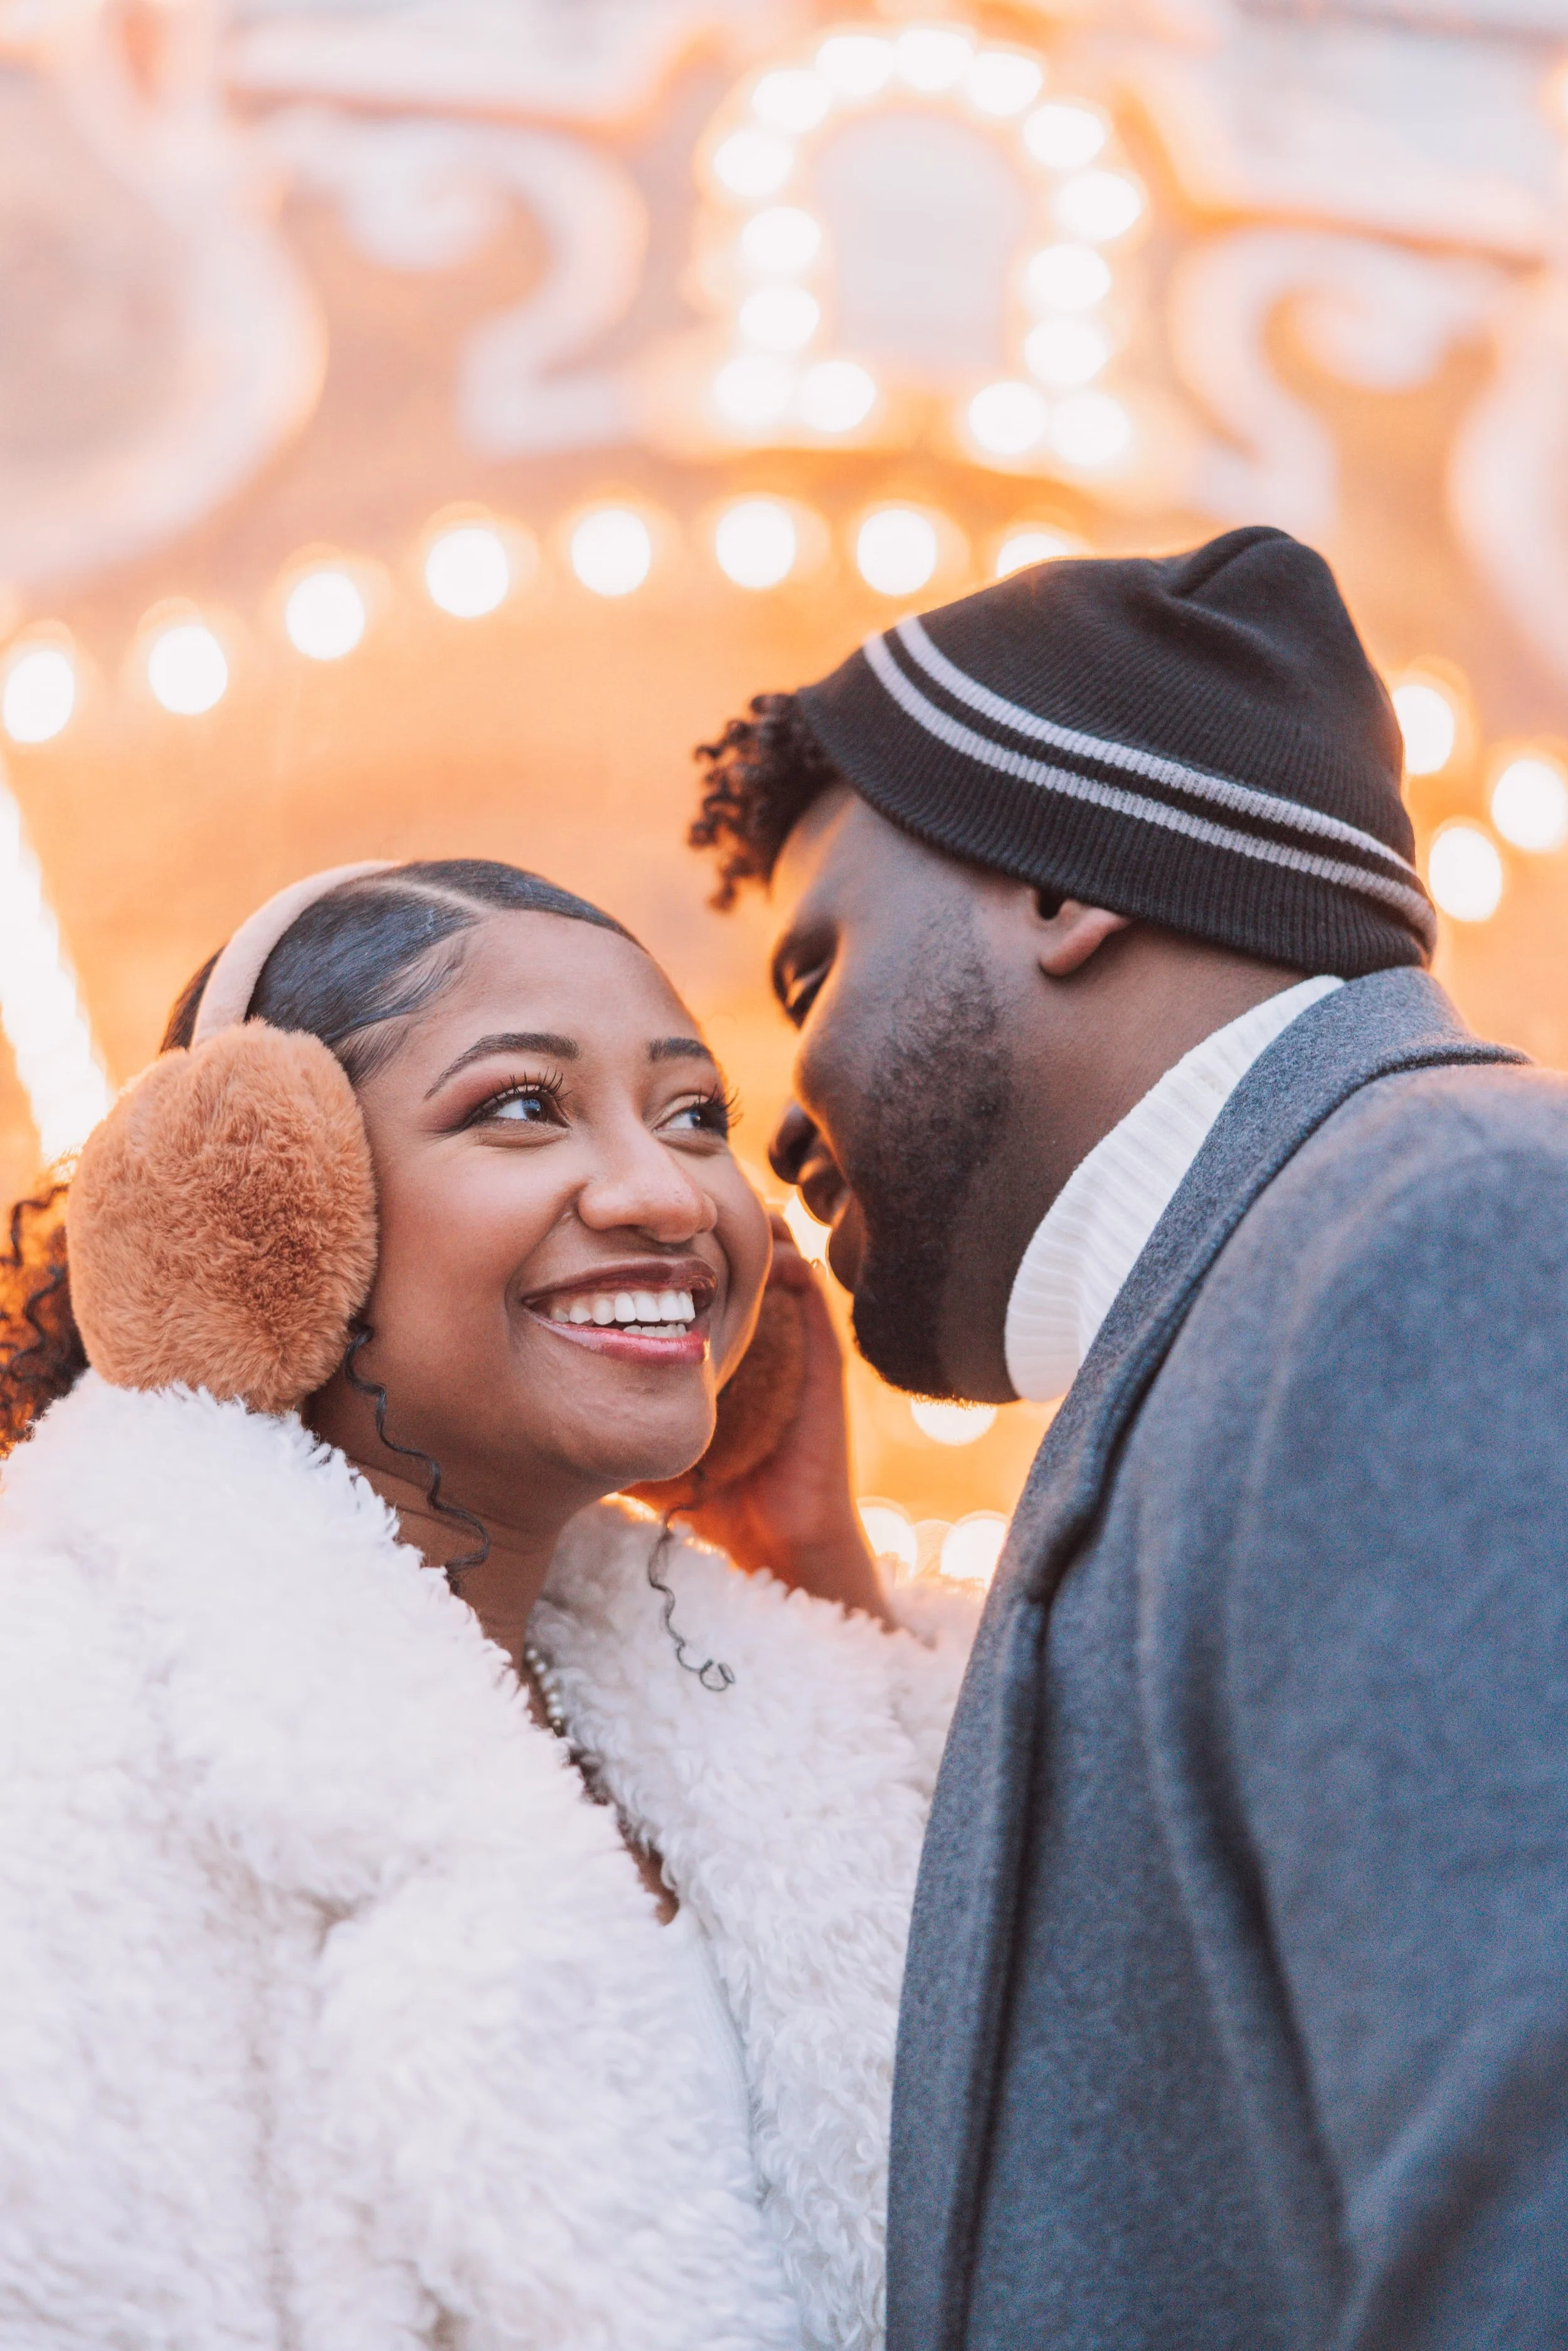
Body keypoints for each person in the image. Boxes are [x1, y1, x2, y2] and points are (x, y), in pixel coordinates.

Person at [691, 524, 1568, 2350]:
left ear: (1057, 878)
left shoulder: (1436, 1237)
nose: (775, 1122)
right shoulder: (1263, 1314)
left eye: (810, 972)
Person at [0, 857, 975, 2351]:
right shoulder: (48, 1739)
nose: (668, 1192)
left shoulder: (719, 1693)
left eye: (692, 1114)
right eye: (522, 1103)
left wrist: (813, 1562)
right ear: (259, 1207)